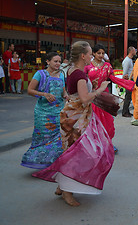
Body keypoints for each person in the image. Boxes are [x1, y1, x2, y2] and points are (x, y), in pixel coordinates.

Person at [32, 41, 113, 207]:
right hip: (76, 119)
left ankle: (62, 187)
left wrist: (92, 88)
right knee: (78, 154)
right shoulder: (80, 75)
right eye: (90, 53)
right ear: (83, 56)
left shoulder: (70, 70)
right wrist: (100, 89)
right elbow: (84, 98)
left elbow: (77, 93)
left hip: (72, 115)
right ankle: (67, 191)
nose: (93, 56)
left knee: (70, 151)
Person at [84, 44, 135, 153]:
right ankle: (94, 145)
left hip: (105, 97)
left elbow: (113, 78)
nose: (101, 55)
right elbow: (82, 82)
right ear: (93, 53)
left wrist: (129, 84)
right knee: (93, 123)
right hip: (91, 97)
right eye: (98, 53)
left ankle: (108, 143)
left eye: (103, 53)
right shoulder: (87, 66)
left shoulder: (107, 66)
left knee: (108, 122)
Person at [21, 52, 67, 169]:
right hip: (43, 113)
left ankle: (52, 164)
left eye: (59, 62)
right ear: (47, 61)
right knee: (43, 138)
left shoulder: (61, 75)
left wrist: (67, 96)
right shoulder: (40, 74)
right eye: (55, 61)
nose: (58, 64)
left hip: (58, 112)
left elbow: (63, 91)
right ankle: (39, 163)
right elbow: (30, 90)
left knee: (57, 139)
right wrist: (44, 94)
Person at [122, 46, 136, 117]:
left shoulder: (130, 60)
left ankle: (127, 111)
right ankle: (124, 112)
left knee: (129, 97)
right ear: (131, 51)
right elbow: (125, 73)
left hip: (130, 80)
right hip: (128, 81)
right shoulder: (127, 60)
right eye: (134, 50)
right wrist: (126, 80)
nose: (135, 51)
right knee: (128, 97)